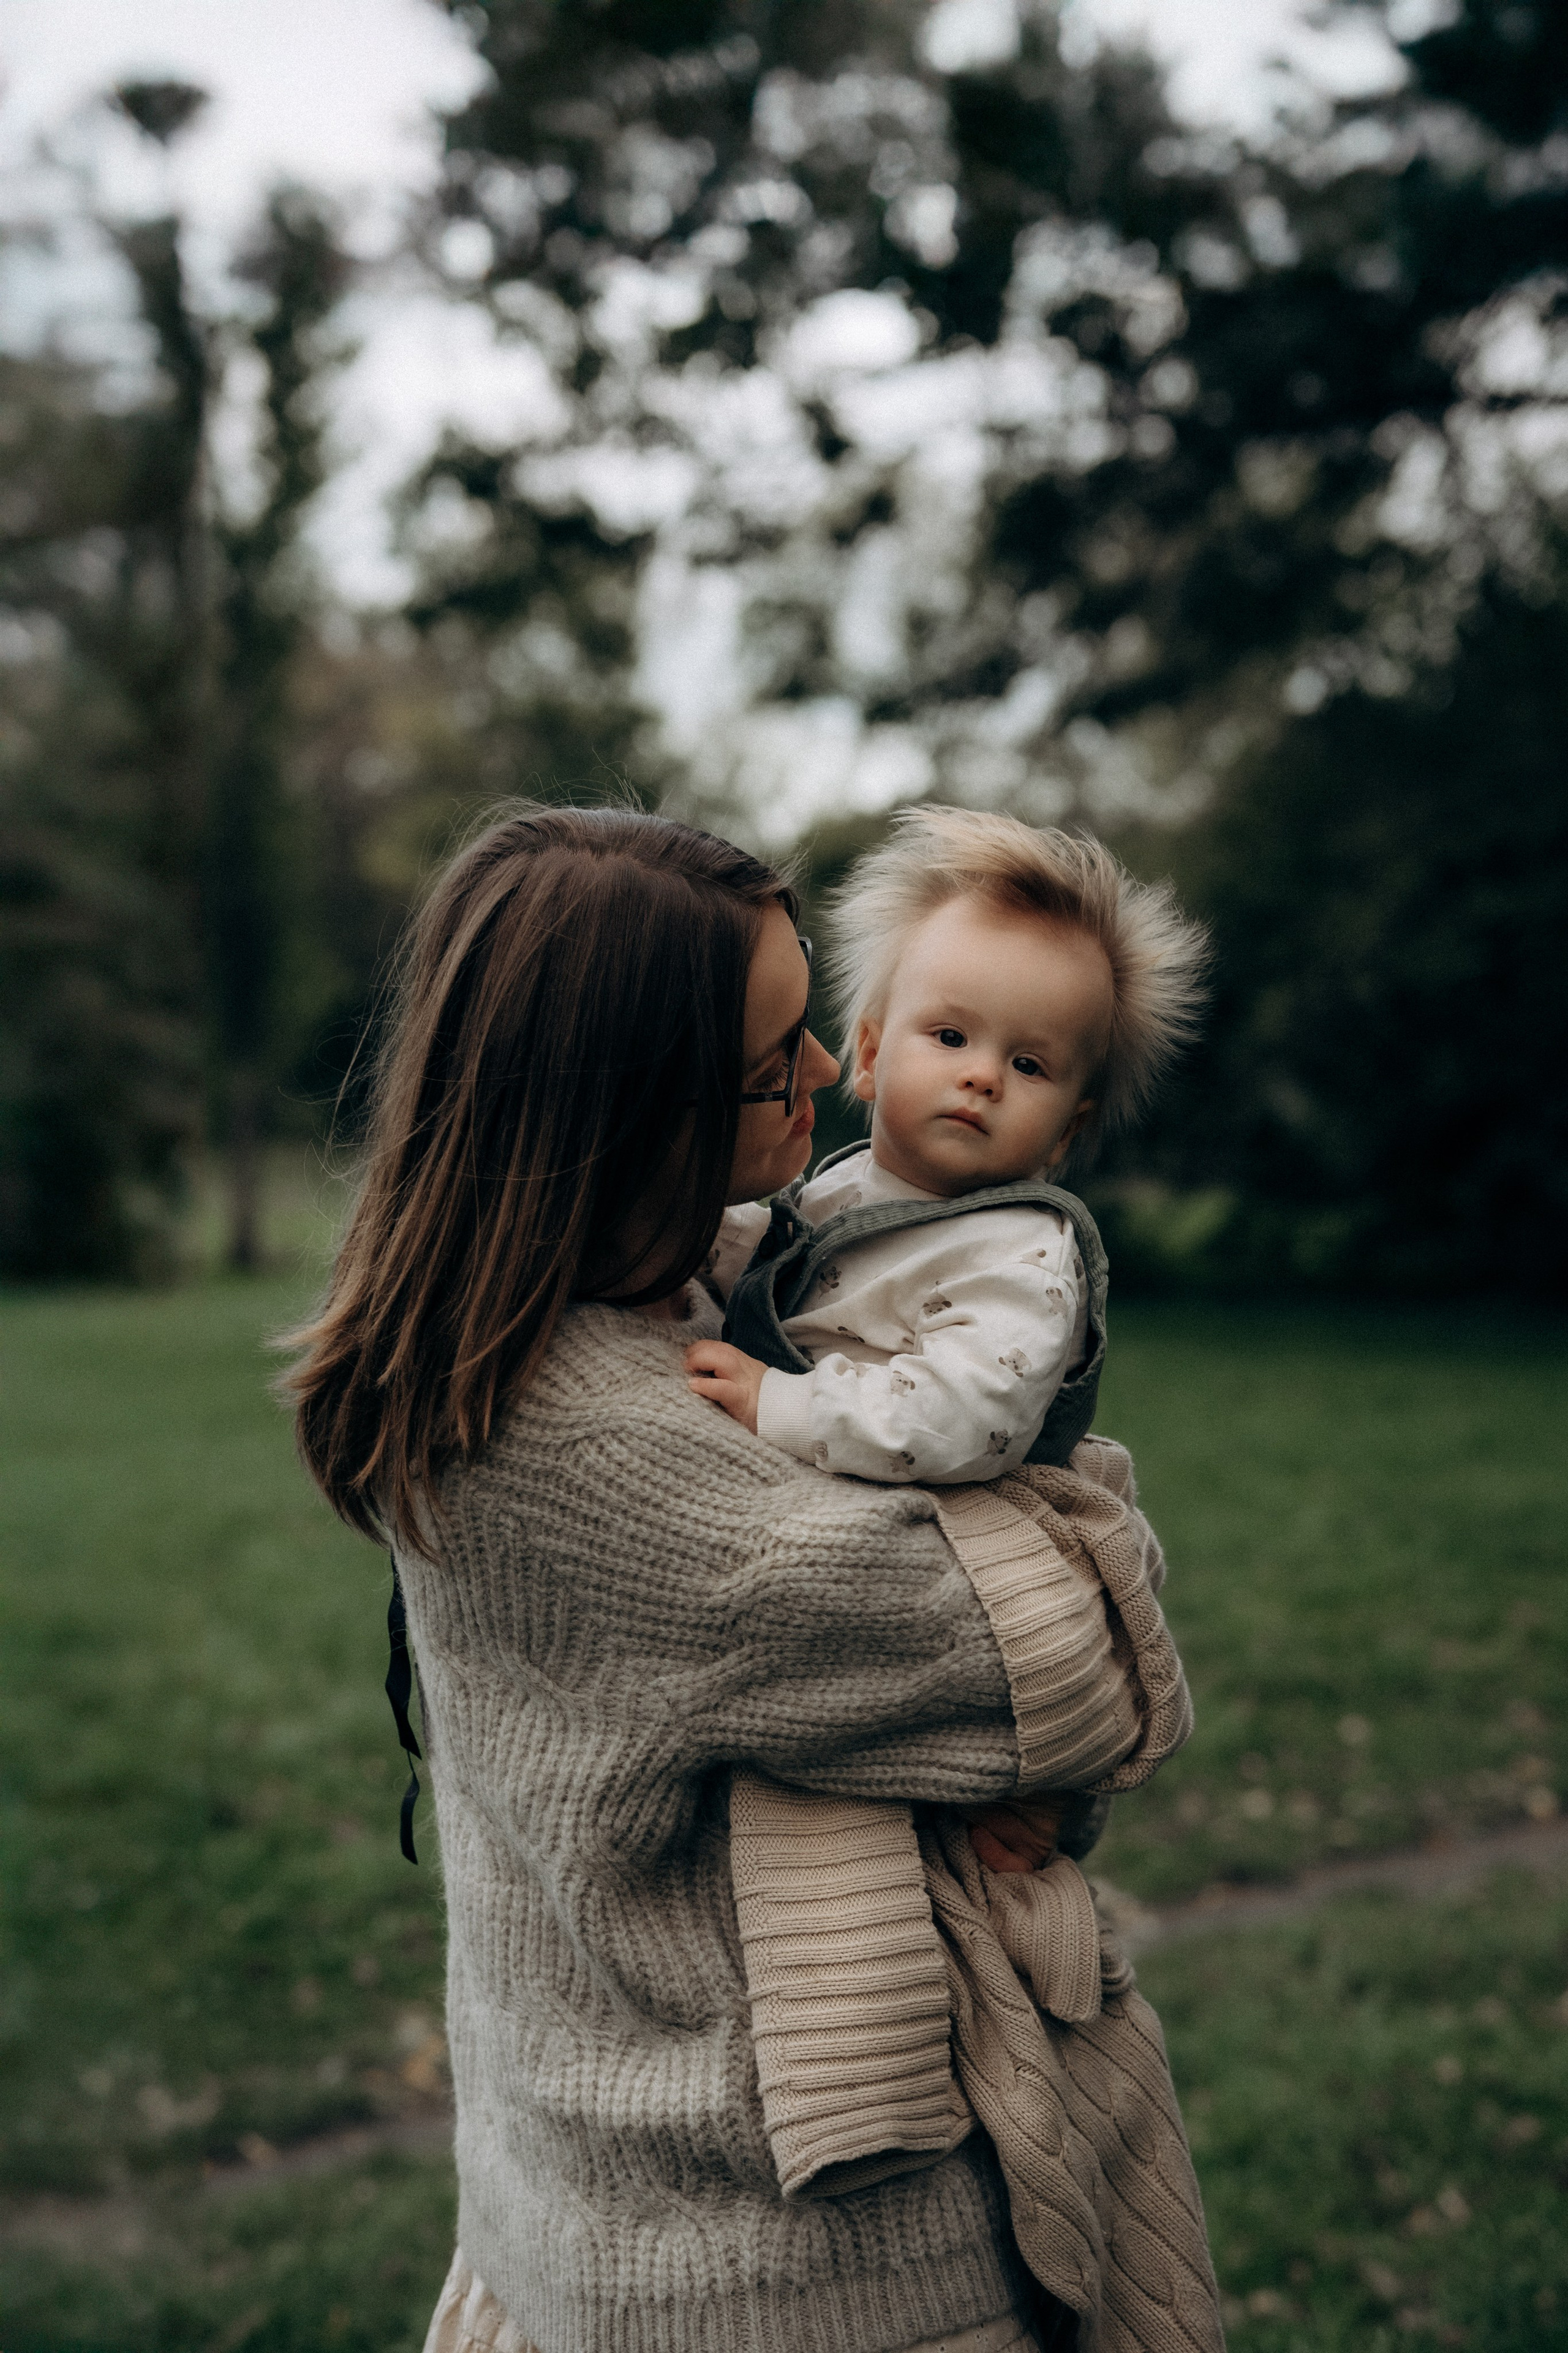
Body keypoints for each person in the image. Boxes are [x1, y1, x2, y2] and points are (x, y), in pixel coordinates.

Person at [282, 803, 1218, 2353]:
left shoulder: (606, 1288)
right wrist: (1085, 1512)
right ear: (626, 1107)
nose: (833, 1077)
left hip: (605, 2188)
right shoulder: (585, 1444)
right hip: (776, 2260)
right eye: (777, 1055)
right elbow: (1069, 1666)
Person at [681, 807, 1211, 2230]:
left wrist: (779, 1412)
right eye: (950, 1037)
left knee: (990, 1813)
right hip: (875, 1536)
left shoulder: (1020, 1250)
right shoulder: (846, 1190)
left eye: (1029, 1065)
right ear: (865, 1049)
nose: (981, 1080)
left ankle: (1014, 1876)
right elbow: (774, 1257)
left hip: (993, 1521)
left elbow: (956, 1420)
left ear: (1072, 1119)